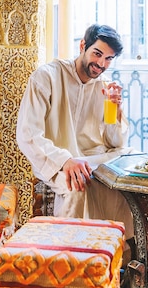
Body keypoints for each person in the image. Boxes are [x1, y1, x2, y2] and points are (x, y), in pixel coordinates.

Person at [16, 23, 134, 242]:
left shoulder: (105, 86)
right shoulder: (47, 77)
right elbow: (27, 134)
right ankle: (73, 252)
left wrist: (114, 111)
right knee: (78, 185)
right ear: (83, 46)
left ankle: (117, 257)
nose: (101, 64)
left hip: (94, 158)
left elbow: (114, 143)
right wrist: (66, 160)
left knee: (129, 170)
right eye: (97, 54)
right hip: (55, 161)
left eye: (108, 59)